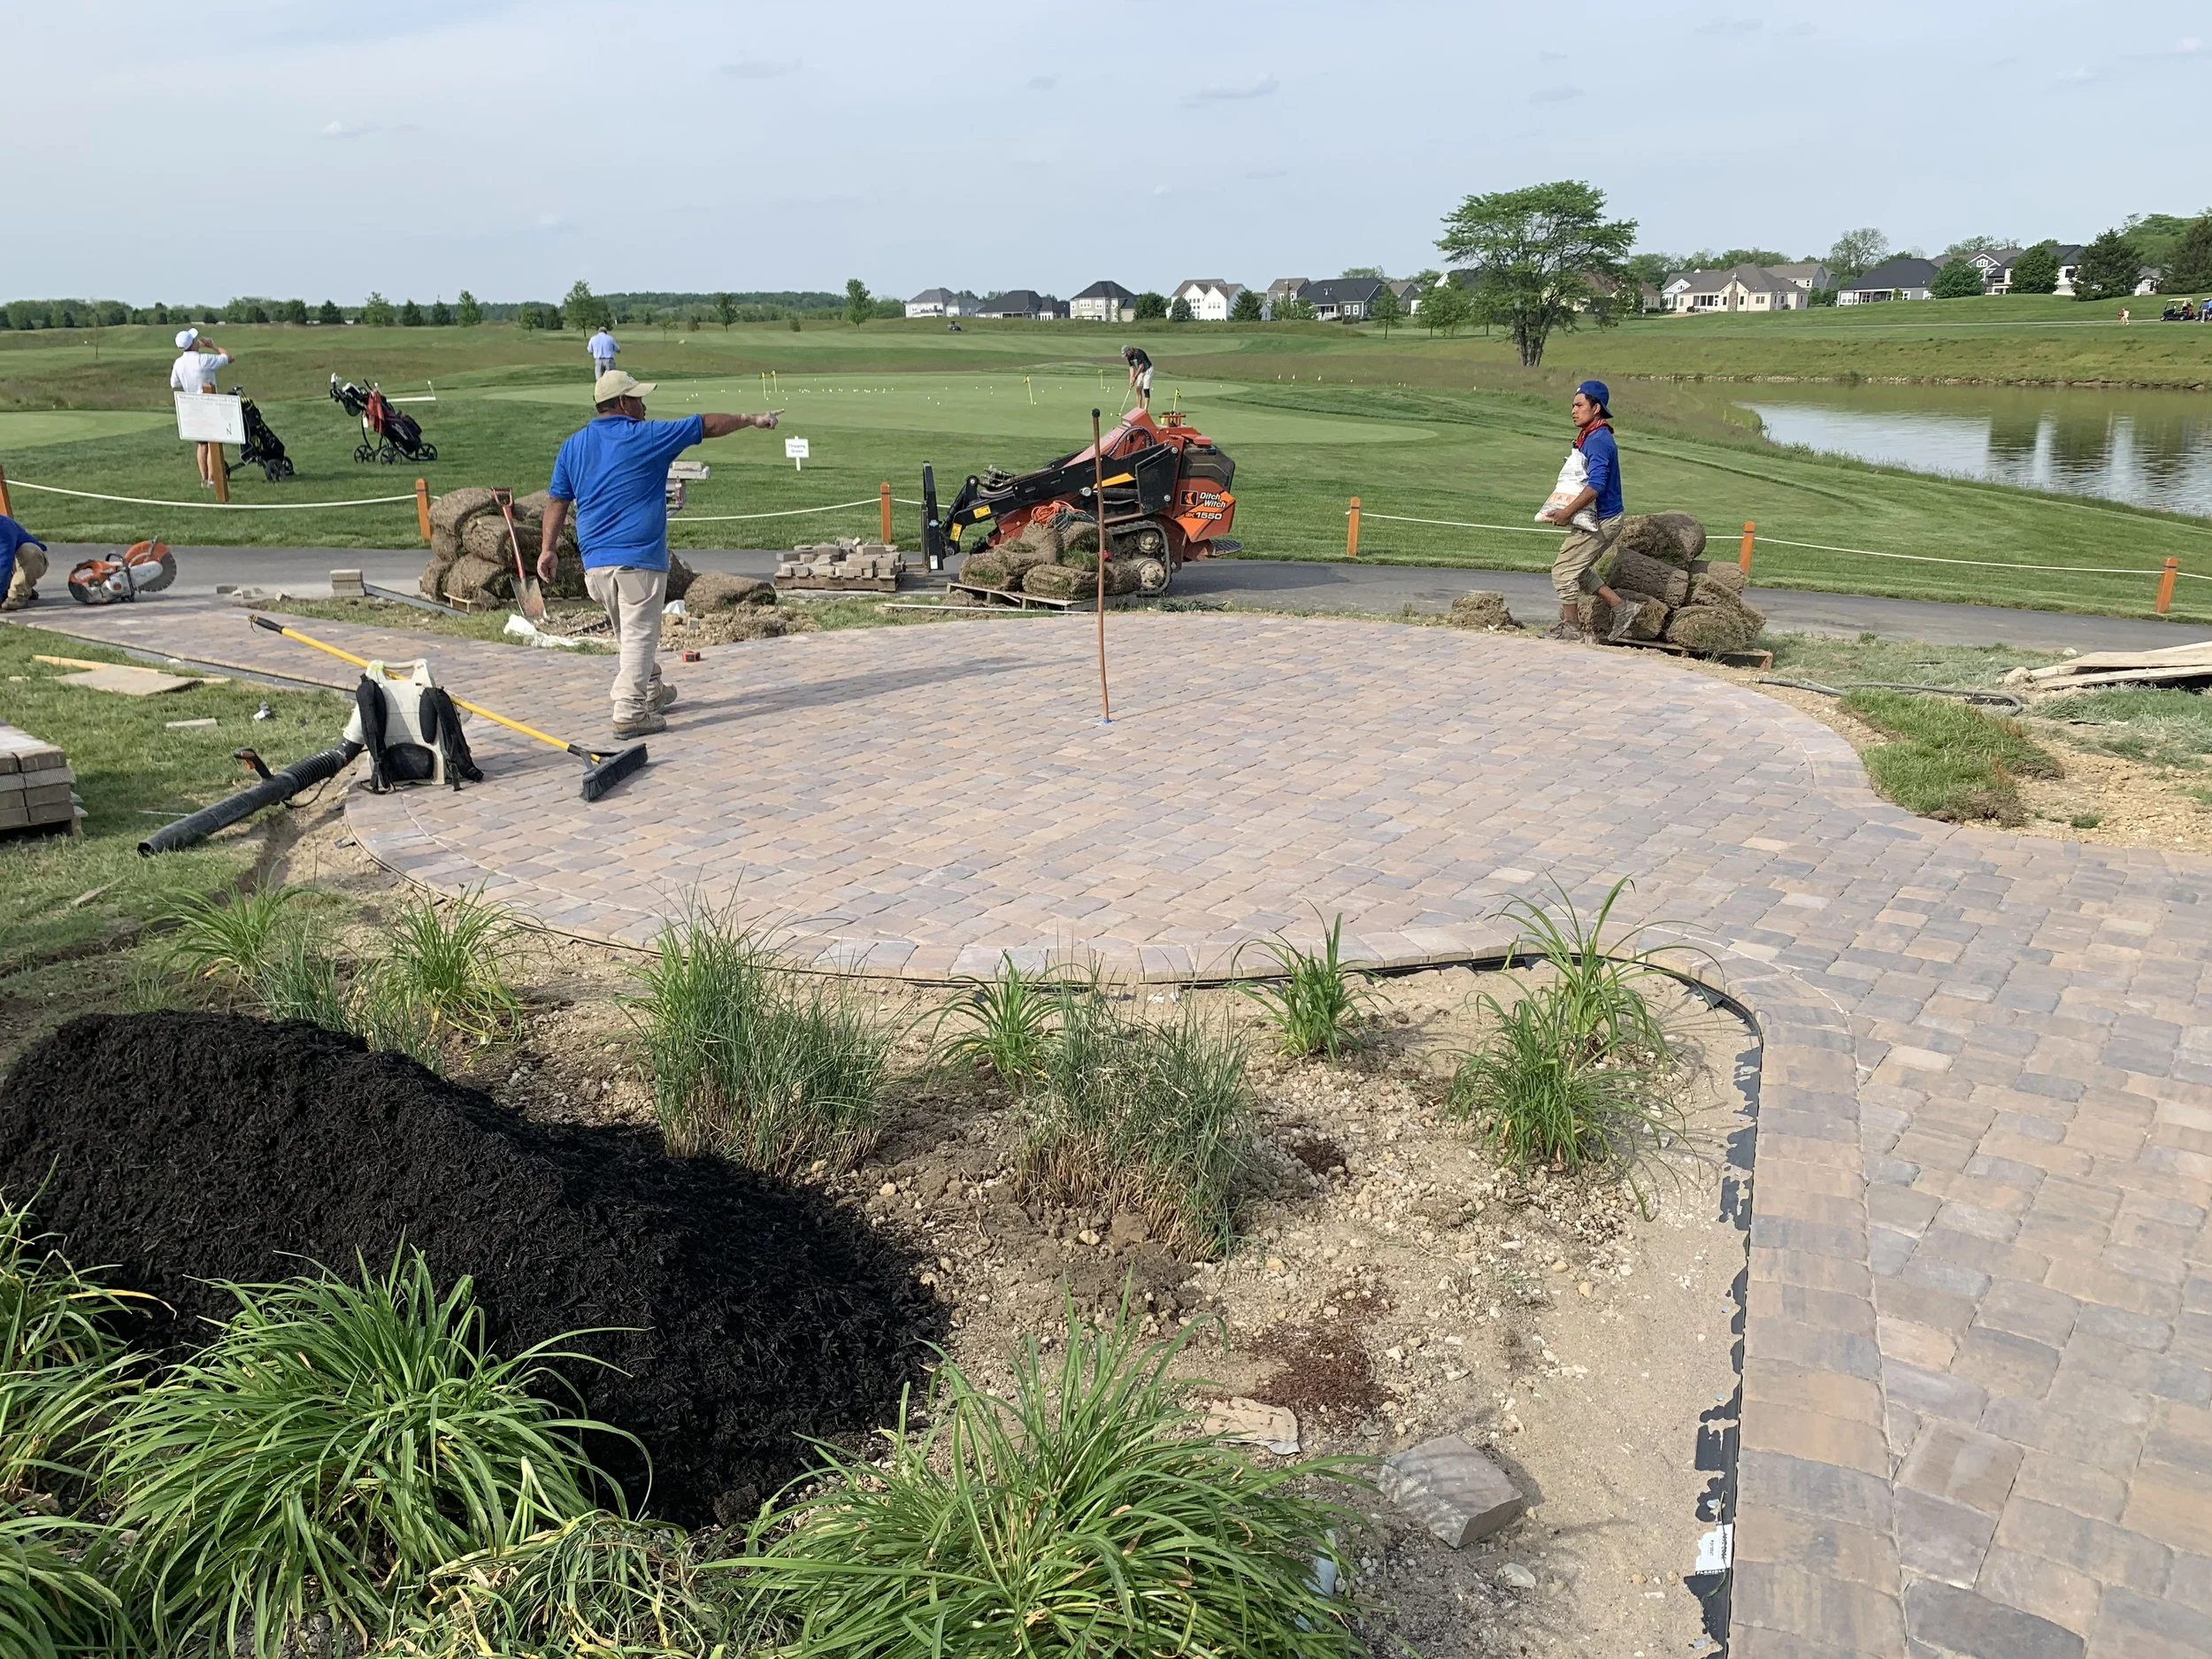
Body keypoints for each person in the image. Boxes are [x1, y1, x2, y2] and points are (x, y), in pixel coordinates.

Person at [541, 371, 780, 738]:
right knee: (638, 635)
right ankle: (629, 710)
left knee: (630, 632)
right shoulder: (645, 436)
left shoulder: (573, 445)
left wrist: (547, 550)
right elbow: (705, 425)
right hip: (638, 559)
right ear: (622, 403)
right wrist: (751, 419)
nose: (644, 405)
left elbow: (557, 501)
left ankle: (650, 691)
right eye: (638, 398)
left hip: (596, 565)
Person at [1539, 380, 1642, 644]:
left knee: (1562, 571)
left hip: (1602, 520)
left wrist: (1565, 513)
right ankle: (1622, 608)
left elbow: (1596, 485)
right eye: (1572, 405)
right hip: (1598, 518)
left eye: (1579, 405)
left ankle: (1571, 628)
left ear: (1596, 408)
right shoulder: (1591, 436)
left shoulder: (1598, 440)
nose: (1573, 410)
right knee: (1579, 570)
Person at [168, 326, 234, 488]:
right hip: (208, 404)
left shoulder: (178, 363)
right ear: (192, 344)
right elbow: (229, 357)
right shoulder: (203, 359)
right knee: (213, 442)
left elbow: (174, 383)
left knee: (202, 443)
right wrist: (213, 345)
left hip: (192, 406)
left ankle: (204, 478)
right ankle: (212, 479)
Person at [0, 513, 47, 611]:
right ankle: (8, 589)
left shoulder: (4, 527)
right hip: (7, 567)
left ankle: (17, 595)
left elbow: (4, 563)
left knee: (29, 551)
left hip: (22, 562)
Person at [1123, 344, 1153, 411]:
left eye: (1126, 354)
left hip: (1148, 370)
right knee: (1138, 389)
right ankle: (1139, 408)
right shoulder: (1129, 357)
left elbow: (1141, 366)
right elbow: (1131, 368)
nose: (1126, 356)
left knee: (1145, 389)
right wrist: (1131, 380)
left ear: (1129, 351)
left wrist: (1135, 377)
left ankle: (1145, 409)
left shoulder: (1138, 353)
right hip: (1141, 372)